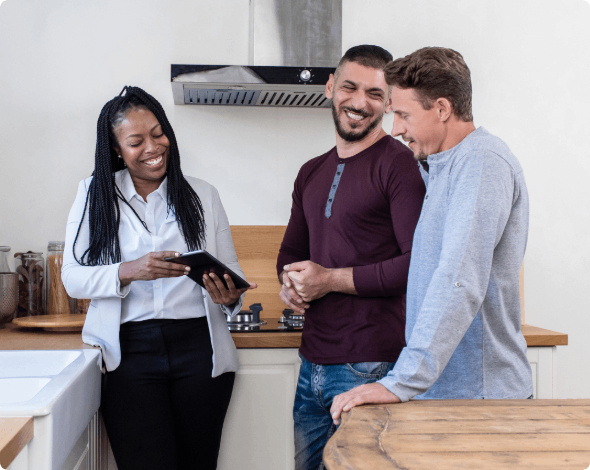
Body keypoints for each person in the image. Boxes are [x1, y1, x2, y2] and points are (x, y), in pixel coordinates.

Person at [330, 47, 533, 424]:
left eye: (404, 115)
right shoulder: (440, 166)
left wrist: (401, 381)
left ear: (442, 108)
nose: (396, 129)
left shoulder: (482, 162)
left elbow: (460, 279)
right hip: (447, 393)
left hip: (479, 399)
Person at [62, 86, 256, 470]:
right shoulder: (93, 195)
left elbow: (234, 278)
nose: (153, 146)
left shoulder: (203, 195)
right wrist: (130, 271)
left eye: (158, 133)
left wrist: (228, 296)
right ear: (117, 149)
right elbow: (73, 278)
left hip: (199, 351)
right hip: (129, 355)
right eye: (136, 141)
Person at [276, 45, 425, 470]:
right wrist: (291, 284)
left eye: (375, 94)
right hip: (311, 365)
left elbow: (416, 265)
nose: (360, 103)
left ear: (389, 102)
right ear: (330, 87)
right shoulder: (310, 171)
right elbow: (290, 252)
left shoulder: (400, 165)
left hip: (372, 365)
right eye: (350, 87)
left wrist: (329, 280)